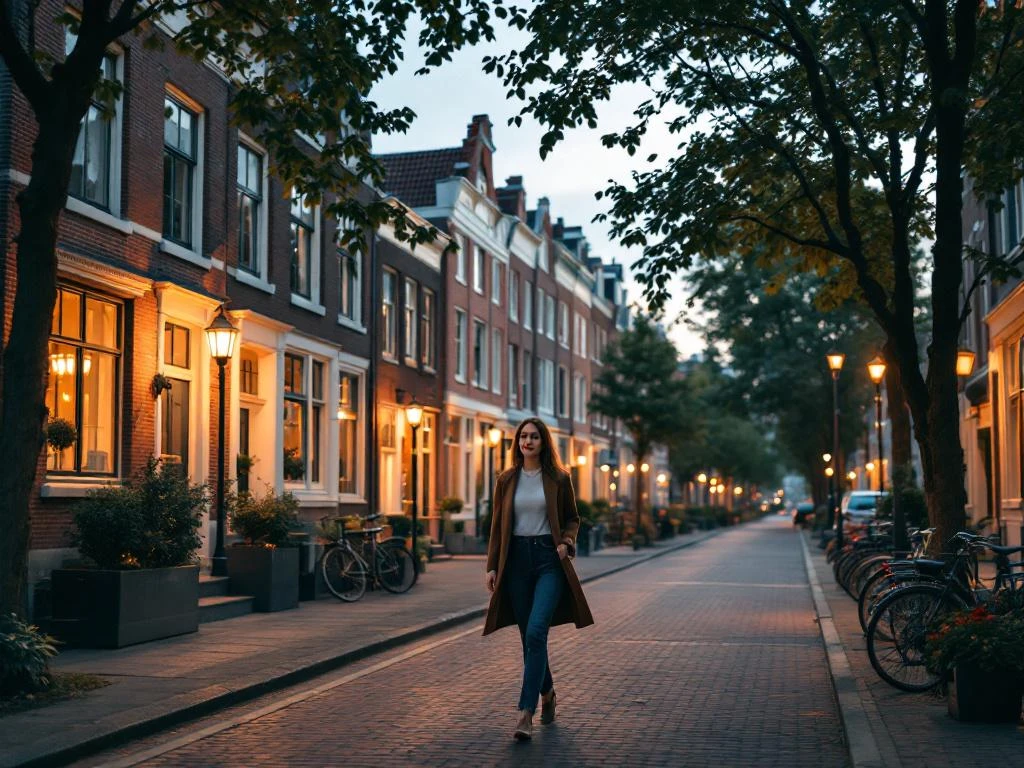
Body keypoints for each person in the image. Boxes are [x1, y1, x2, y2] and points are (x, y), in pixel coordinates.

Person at [483, 417, 595, 741]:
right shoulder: (506, 480)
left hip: (549, 560)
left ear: (543, 442)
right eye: (523, 437)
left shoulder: (559, 478)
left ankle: (525, 713)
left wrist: (567, 541)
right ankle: (547, 694)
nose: (527, 442)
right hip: (515, 561)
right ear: (517, 442)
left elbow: (573, 517)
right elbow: (497, 527)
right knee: (528, 639)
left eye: (534, 437)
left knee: (535, 631)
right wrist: (492, 566)